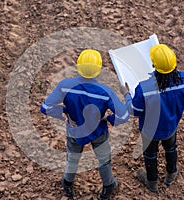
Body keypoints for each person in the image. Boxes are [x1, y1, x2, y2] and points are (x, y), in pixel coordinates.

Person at [40, 49, 129, 199]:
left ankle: (67, 183)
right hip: (97, 132)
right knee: (103, 161)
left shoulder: (65, 85)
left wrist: (63, 111)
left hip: (74, 131)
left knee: (72, 159)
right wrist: (109, 119)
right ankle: (108, 186)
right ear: (99, 69)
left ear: (78, 66)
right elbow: (125, 115)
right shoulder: (105, 92)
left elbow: (46, 107)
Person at [120, 44, 184, 192]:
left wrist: (126, 94)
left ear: (153, 65)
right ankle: (171, 173)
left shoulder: (145, 88)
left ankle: (152, 181)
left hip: (149, 131)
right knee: (171, 148)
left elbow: (134, 110)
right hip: (171, 125)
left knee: (150, 154)